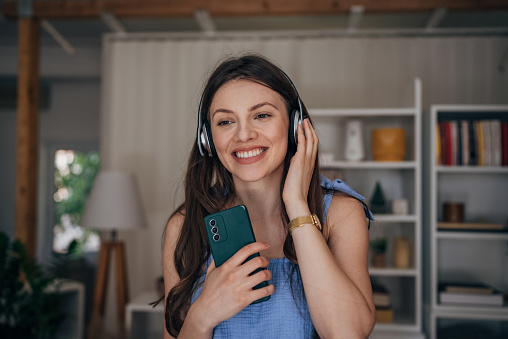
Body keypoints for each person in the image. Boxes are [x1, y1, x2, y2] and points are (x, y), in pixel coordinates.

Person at [162, 53, 375, 339]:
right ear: (207, 139)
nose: (244, 135)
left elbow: (348, 334)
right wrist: (202, 316)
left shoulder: (341, 214)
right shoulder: (183, 226)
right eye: (225, 122)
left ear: (294, 125)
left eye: (261, 115)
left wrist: (297, 206)